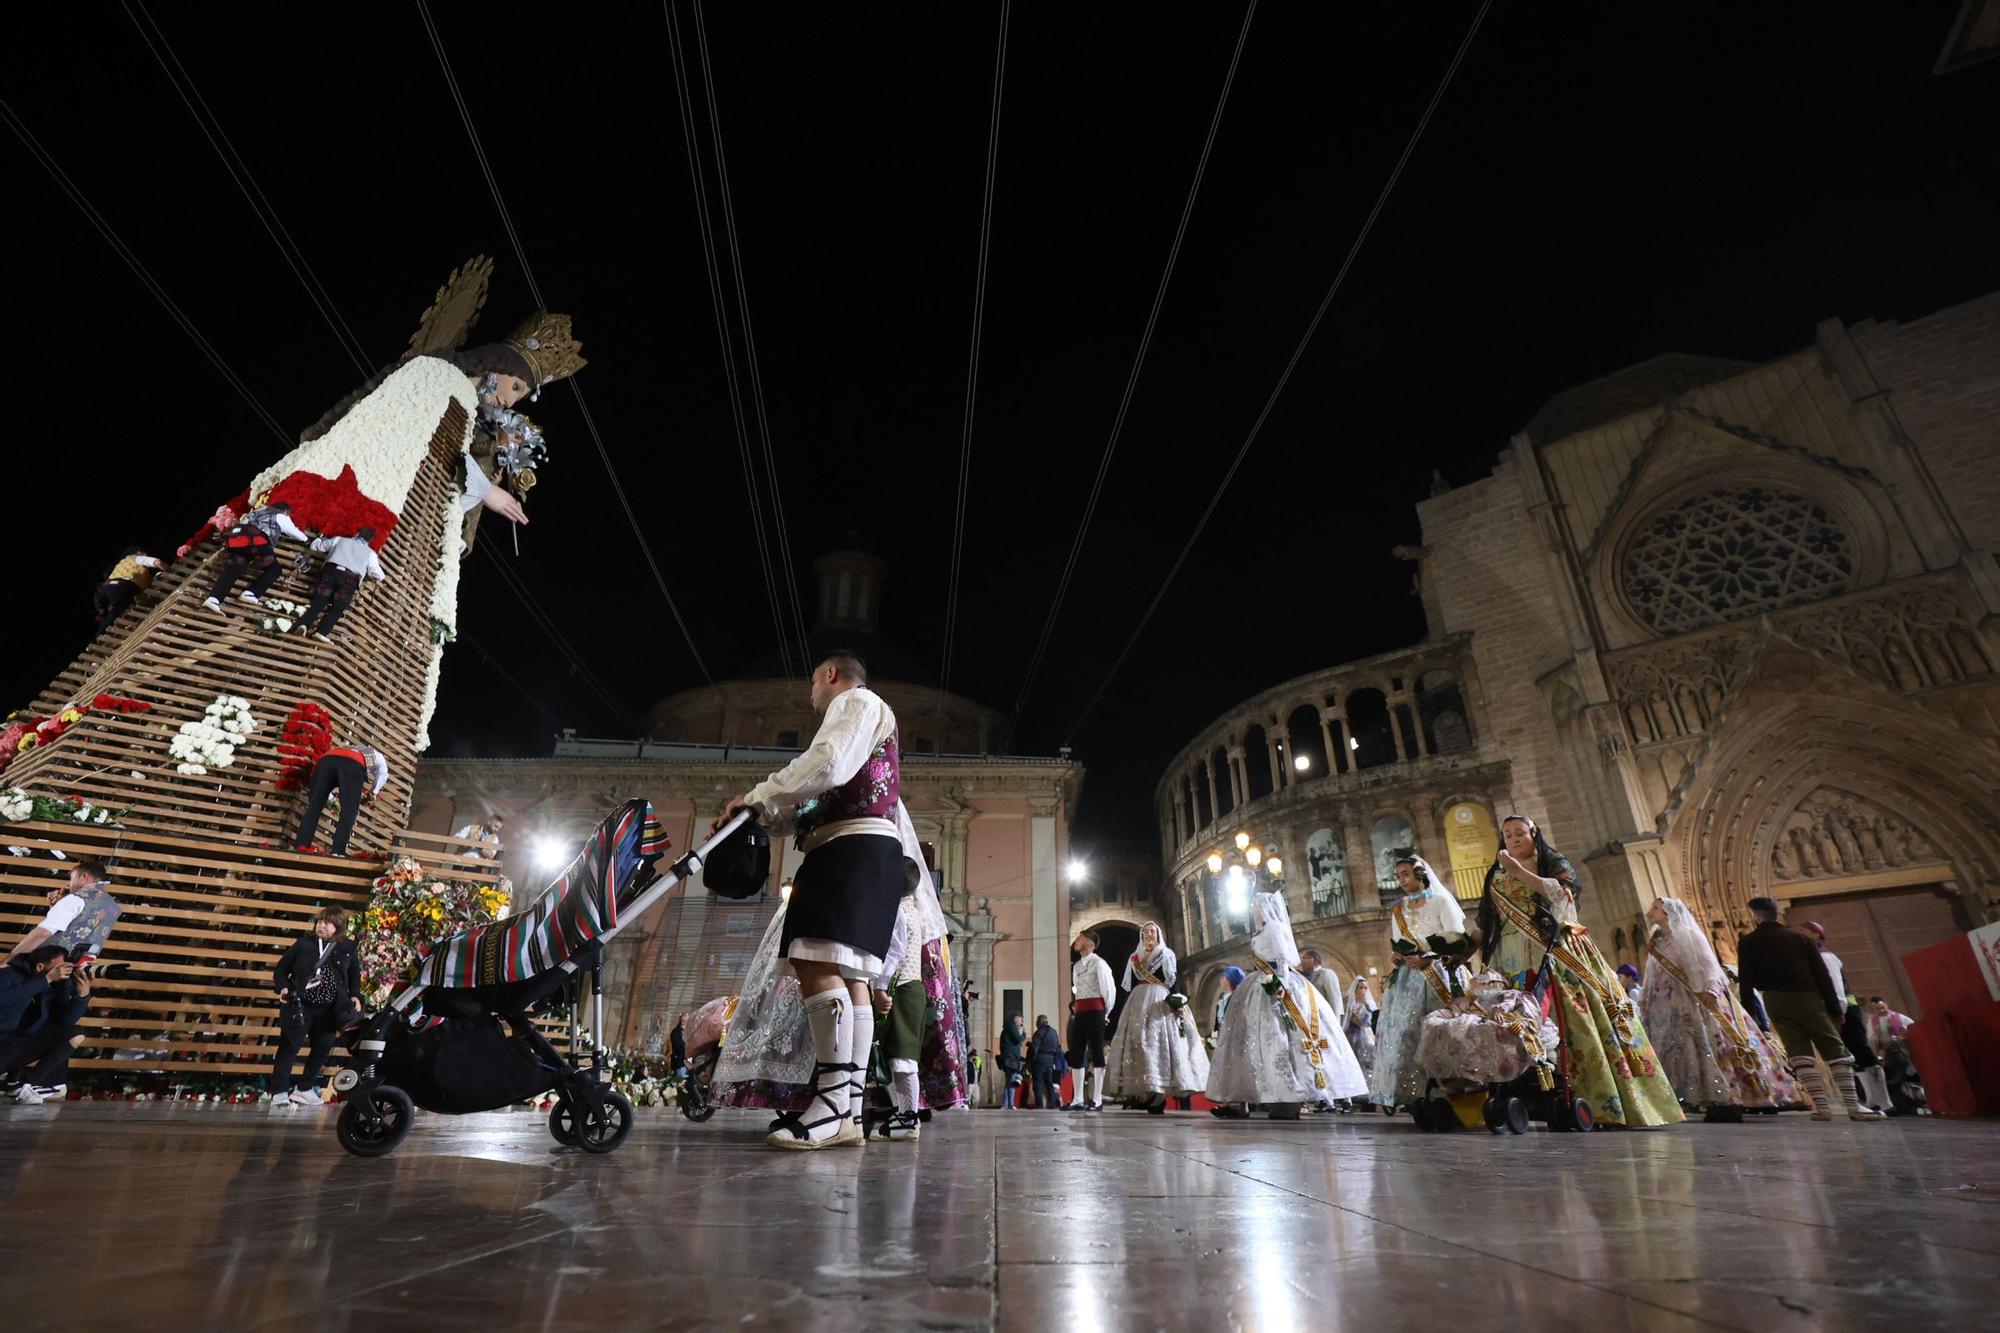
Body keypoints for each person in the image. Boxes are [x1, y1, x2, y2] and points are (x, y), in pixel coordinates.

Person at [714, 652, 923, 1150]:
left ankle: (831, 1103)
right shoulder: (861, 719)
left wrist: (759, 795)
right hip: (861, 848)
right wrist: (762, 817)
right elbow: (817, 799)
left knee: (814, 957)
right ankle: (846, 1108)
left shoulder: (857, 702)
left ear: (831, 675)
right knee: (850, 974)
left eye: (812, 682)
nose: (811, 694)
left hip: (849, 848)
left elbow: (826, 765)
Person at [1476, 815, 1682, 1128]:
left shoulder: (1551, 863)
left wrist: (1519, 871)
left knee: (1570, 1015)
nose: (1514, 839)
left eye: (1520, 833)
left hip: (1553, 948)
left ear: (1534, 834)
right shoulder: (1497, 873)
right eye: (1507, 835)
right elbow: (1489, 918)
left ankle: (1591, 1094)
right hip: (1509, 953)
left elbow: (1563, 896)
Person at [1206, 889, 1367, 1119]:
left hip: (1276, 986)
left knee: (1282, 1040)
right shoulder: (1261, 931)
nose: (1254, 911)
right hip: (1258, 985)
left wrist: (1279, 985)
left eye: (1256, 907)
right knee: (1255, 1042)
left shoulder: (1274, 928)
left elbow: (1282, 959)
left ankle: (1288, 1099)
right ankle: (1250, 1098)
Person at [1638, 896, 1799, 1119]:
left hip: (1694, 999)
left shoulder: (1688, 935)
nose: (1651, 911)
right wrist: (1645, 999)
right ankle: (1693, 1097)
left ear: (1669, 913)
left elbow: (1709, 964)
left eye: (1656, 908)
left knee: (1710, 1047)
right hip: (1667, 1004)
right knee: (1682, 1050)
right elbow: (1652, 973)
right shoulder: (1656, 941)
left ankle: (1727, 1097)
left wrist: (1712, 990)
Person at [1735, 897, 1884, 1122]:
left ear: (1756, 915)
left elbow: (1745, 981)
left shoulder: (1748, 942)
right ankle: (1853, 1105)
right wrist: (1835, 1009)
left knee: (1799, 1053)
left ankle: (1822, 1108)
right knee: (1834, 1049)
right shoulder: (1800, 938)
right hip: (1805, 996)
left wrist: (1750, 1014)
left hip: (1774, 1000)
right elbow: (1822, 976)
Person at [1368, 855, 1474, 1112]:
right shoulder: (1399, 909)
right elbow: (1397, 942)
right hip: (1407, 980)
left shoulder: (1440, 901)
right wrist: (1396, 956)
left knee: (1440, 1030)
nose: (1401, 880)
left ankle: (1449, 1090)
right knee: (1404, 1033)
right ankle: (1413, 1093)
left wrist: (1429, 958)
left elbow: (1456, 938)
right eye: (1398, 875)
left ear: (1420, 874)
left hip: (1439, 973)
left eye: (1405, 874)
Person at [1105, 921, 1207, 1113]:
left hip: (1160, 999)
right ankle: (1146, 1092)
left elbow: (1173, 979)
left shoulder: (1166, 954)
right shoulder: (1135, 957)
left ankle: (1158, 1095)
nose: (1149, 934)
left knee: (1157, 1044)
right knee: (1139, 1044)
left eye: (1152, 931)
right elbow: (1131, 982)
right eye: (1145, 932)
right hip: (1138, 1001)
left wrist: (1178, 1002)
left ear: (1158, 934)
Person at [269, 906, 361, 1107]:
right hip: (300, 1005)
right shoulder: (304, 943)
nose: (321, 925)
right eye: (319, 922)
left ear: (337, 926)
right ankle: (279, 1091)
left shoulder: (348, 947)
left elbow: (354, 975)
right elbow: (282, 969)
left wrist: (355, 995)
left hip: (329, 1010)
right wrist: (283, 988)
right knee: (288, 1048)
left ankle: (304, 1089)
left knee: (321, 1049)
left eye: (326, 923)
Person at [0, 946, 83, 1105]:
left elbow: (64, 1023)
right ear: (40, 967)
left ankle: (25, 1082)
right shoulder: (7, 975)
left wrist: (81, 996)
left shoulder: (54, 986)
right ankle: (14, 1082)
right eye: (59, 967)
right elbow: (3, 1000)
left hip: (15, 1047)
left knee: (73, 1033)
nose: (63, 971)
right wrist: (46, 980)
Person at [202, 501, 313, 611]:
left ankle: (213, 599)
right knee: (274, 569)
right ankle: (251, 593)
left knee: (233, 570)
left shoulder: (255, 512)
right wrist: (307, 540)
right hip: (256, 544)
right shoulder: (280, 515)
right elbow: (294, 532)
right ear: (285, 512)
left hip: (235, 543)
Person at [6, 861, 122, 967]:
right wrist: (56, 906)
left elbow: (43, 933)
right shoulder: (111, 905)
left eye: (71, 878)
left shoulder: (76, 898)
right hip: (77, 971)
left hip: (46, 967)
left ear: (84, 876)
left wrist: (8, 960)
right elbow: (83, 926)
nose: (68, 883)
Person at [294, 743, 390, 856]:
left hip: (326, 761)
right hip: (352, 763)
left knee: (314, 806)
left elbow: (318, 788)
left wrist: (332, 801)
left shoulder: (344, 747)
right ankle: (337, 851)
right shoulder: (377, 756)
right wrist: (373, 792)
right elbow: (382, 773)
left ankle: (302, 845)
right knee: (349, 811)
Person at [297, 527, 386, 642]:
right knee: (338, 607)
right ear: (370, 541)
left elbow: (317, 547)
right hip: (350, 579)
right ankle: (321, 632)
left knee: (319, 601)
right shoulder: (370, 554)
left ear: (357, 533)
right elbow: (378, 574)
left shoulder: (339, 540)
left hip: (330, 571)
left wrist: (318, 539)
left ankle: (304, 624)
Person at [1070, 929, 1117, 1112]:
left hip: (1096, 1011)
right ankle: (1078, 1098)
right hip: (1081, 1011)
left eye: (1080, 938)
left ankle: (1097, 1099)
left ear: (1090, 943)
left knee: (1096, 1051)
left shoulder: (1099, 964)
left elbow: (1109, 989)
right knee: (1077, 1052)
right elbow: (1076, 988)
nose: (1076, 941)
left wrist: (1106, 1012)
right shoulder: (1077, 966)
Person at [93, 546, 165, 634]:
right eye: (143, 552)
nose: (146, 554)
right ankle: (99, 637)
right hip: (122, 587)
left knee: (110, 615)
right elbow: (158, 562)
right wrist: (169, 570)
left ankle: (100, 633)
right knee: (116, 612)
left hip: (105, 588)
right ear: (138, 552)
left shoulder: (122, 563)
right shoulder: (136, 558)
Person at [1344, 975, 1378, 1081]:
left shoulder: (1370, 1003)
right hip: (1353, 1034)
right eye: (1361, 987)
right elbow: (1346, 1020)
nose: (1363, 990)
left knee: (1369, 1061)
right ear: (1355, 989)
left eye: (1365, 988)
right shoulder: (1351, 1004)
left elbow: (1374, 1018)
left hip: (1368, 1036)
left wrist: (1366, 1005)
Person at [1028, 1015, 1065, 1111]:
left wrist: (1031, 1061)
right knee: (1049, 1083)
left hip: (1040, 1060)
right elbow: (1057, 1047)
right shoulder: (1053, 1032)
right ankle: (1052, 1103)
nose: (1036, 1024)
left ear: (1040, 1022)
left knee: (1038, 1083)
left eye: (1037, 1022)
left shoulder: (1038, 1033)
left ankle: (1039, 1104)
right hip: (1050, 1060)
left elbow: (1035, 1048)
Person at [996, 1013, 1028, 1108]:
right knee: (1014, 1080)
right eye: (1021, 1020)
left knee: (1009, 1081)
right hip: (1011, 1058)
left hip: (1007, 1057)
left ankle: (1006, 1104)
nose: (1021, 1023)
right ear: (1016, 1020)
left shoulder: (1007, 1029)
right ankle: (1011, 1104)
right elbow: (1018, 1039)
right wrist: (1024, 1034)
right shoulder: (1012, 1027)